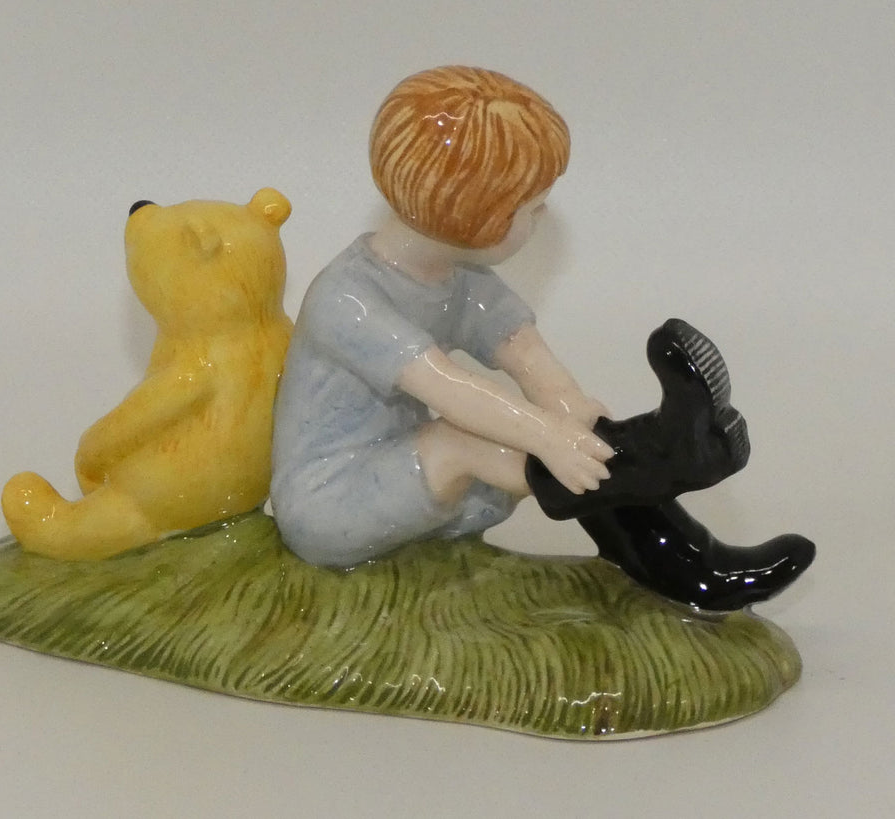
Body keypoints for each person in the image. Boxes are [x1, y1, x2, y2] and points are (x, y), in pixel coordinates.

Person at [271, 66, 813, 610]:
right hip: (329, 502)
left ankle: (684, 548)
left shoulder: (458, 278)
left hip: (401, 468)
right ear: (468, 212)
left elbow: (524, 351)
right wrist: (551, 437)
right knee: (466, 440)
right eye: (529, 208)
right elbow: (448, 388)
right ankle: (662, 475)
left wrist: (574, 413)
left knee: (564, 442)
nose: (543, 216)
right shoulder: (348, 299)